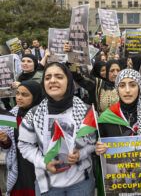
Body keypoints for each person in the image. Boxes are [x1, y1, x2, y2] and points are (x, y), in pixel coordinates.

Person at [18, 63, 96, 195]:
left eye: (59, 76)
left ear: (69, 81)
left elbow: (92, 143)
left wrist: (80, 154)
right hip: (48, 186)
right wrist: (44, 162)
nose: (52, 80)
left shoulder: (87, 111)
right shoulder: (34, 114)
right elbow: (25, 145)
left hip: (81, 184)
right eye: (48, 78)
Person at [95, 69, 141, 196]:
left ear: (139, 88)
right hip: (120, 183)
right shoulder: (106, 117)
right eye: (122, 85)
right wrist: (98, 150)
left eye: (132, 85)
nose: (127, 90)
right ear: (117, 89)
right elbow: (99, 153)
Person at [0, 81, 43, 196]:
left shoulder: (43, 115)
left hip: (38, 165)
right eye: (17, 93)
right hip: (18, 165)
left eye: (25, 95)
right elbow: (8, 146)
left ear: (36, 96)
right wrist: (5, 140)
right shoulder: (10, 115)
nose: (19, 98)